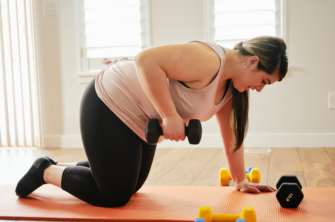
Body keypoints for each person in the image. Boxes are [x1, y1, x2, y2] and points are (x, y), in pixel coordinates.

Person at [15, 36, 288, 207]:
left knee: (132, 185)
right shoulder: (208, 59)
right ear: (252, 62)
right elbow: (146, 60)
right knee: (114, 196)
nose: (260, 88)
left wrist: (241, 180)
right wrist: (170, 116)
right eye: (264, 81)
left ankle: (79, 166)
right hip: (111, 99)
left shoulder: (232, 90)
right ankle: (44, 171)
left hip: (142, 117)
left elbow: (232, 137)